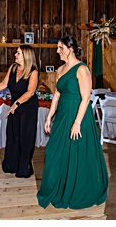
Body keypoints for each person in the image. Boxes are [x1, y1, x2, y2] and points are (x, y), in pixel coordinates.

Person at [35, 35, 107, 210]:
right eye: (58, 48)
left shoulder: (82, 69)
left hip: (78, 115)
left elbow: (86, 98)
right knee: (54, 150)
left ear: (70, 49)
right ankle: (57, 186)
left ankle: (77, 189)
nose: (58, 51)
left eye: (61, 48)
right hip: (62, 116)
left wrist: (77, 123)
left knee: (76, 152)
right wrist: (49, 116)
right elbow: (57, 95)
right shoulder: (60, 70)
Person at [0, 44, 39, 178]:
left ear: (26, 56)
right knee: (12, 134)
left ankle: (24, 168)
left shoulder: (33, 71)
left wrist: (16, 104)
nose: (15, 55)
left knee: (25, 138)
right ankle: (11, 165)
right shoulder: (13, 68)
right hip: (15, 106)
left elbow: (30, 92)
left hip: (27, 108)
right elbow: (4, 84)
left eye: (18, 53)